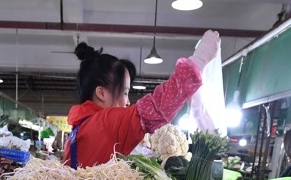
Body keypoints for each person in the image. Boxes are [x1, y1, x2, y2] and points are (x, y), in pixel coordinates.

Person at [64, 30, 220, 169]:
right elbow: (156, 108)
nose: (127, 102)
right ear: (102, 93)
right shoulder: (104, 123)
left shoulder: (79, 129)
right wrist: (198, 61)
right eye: (125, 93)